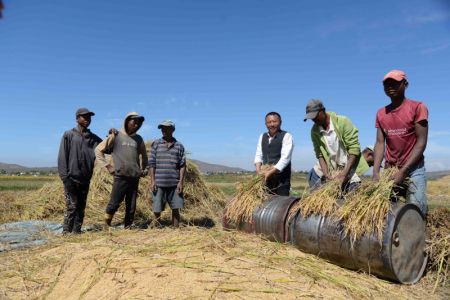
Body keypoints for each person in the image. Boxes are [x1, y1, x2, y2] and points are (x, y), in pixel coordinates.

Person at [373, 70, 428, 216]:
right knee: (386, 211)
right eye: (387, 84)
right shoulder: (381, 113)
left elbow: (421, 142)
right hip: (391, 170)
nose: (390, 86)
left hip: (413, 169)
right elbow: (379, 143)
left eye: (395, 83)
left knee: (416, 211)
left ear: (405, 84)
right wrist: (376, 171)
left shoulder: (417, 107)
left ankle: (417, 237)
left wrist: (404, 171)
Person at [95, 112, 148, 228]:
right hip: (120, 176)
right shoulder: (116, 135)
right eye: (134, 121)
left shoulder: (139, 139)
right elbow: (98, 150)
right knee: (114, 203)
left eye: (139, 122)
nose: (136, 124)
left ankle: (128, 227)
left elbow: (144, 156)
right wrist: (108, 166)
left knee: (131, 206)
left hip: (134, 177)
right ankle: (107, 225)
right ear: (127, 121)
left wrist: (144, 169)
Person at [304, 99, 366, 192]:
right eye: (311, 118)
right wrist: (326, 174)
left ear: (323, 110)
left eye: (315, 116)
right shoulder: (315, 131)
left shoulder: (343, 122)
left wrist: (344, 174)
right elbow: (320, 154)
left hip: (348, 167)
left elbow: (354, 150)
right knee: (320, 195)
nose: (314, 120)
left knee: (350, 198)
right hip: (329, 168)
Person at [58, 108, 102, 234]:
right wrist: (65, 178)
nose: (87, 119)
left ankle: (77, 231)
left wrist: (112, 135)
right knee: (72, 206)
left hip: (85, 179)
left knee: (81, 207)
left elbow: (107, 148)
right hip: (71, 178)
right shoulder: (69, 135)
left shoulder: (93, 138)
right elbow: (62, 157)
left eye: (89, 117)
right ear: (77, 118)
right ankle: (66, 232)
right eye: (84, 117)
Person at [149, 120, 186, 227]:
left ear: (173, 129)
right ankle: (157, 229)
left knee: (175, 208)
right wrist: (152, 181)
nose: (163, 130)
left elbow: (182, 165)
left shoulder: (179, 146)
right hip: (159, 183)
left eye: (166, 128)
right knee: (157, 209)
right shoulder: (156, 144)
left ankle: (175, 229)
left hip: (174, 184)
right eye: (162, 128)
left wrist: (181, 182)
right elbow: (151, 163)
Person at [254, 112, 294, 196]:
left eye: (274, 121)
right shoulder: (262, 136)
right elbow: (258, 155)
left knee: (281, 205)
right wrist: (258, 172)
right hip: (266, 180)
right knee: (265, 204)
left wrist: (270, 172)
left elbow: (285, 159)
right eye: (269, 122)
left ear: (280, 122)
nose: (272, 124)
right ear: (265, 124)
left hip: (281, 180)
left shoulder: (287, 136)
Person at [308, 145, 374, 189]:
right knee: (318, 204)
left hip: (330, 182)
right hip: (319, 175)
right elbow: (346, 175)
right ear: (370, 155)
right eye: (372, 163)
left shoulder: (361, 163)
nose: (373, 165)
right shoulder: (354, 156)